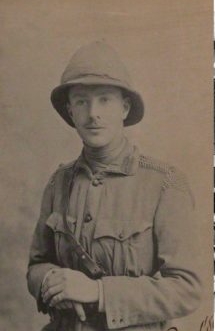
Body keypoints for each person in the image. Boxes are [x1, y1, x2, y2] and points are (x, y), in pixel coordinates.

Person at [26, 41, 203, 330]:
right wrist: (51, 282)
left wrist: (98, 292)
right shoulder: (58, 183)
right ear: (71, 112)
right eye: (82, 101)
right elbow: (36, 264)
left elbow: (187, 288)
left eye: (105, 100)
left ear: (125, 107)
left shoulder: (164, 183)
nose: (93, 113)